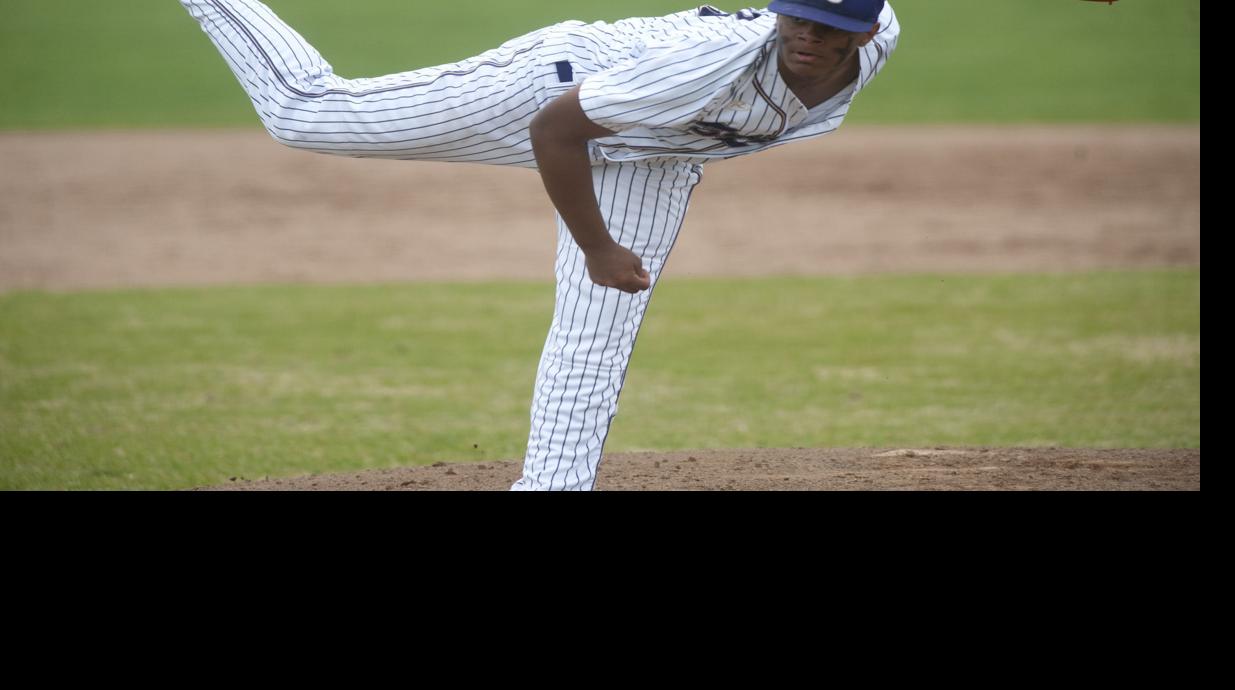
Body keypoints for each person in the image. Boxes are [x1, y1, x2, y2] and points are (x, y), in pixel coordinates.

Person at [180, 0, 899, 490]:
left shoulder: (879, 34)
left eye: (827, 26)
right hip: (556, 94)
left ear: (864, 33)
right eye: (797, 17)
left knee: (597, 330)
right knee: (304, 114)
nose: (807, 36)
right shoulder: (711, 64)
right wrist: (598, 248)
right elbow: (557, 130)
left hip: (656, 146)